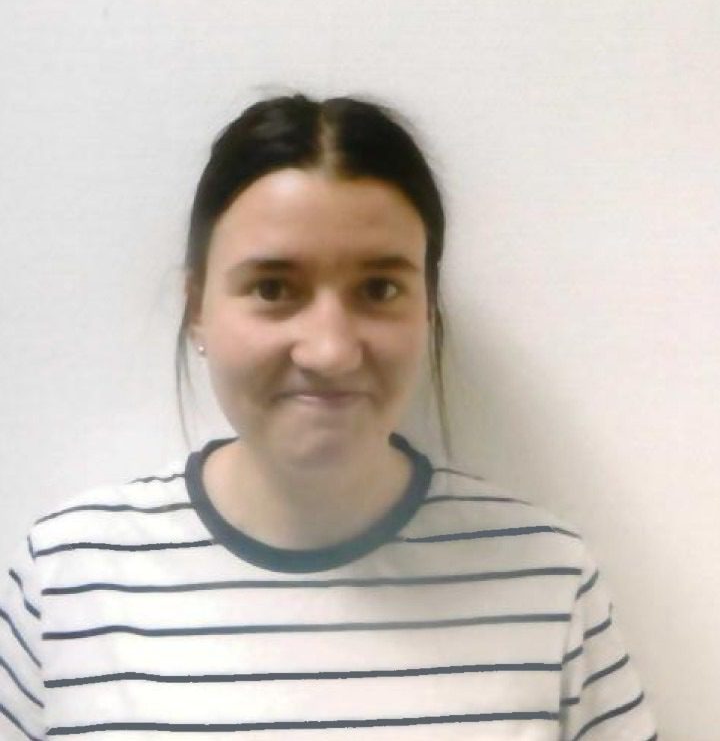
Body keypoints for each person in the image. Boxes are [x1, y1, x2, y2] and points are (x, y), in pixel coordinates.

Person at [0, 94, 658, 739]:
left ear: (427, 309)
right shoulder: (67, 581)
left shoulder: (547, 578)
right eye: (273, 288)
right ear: (197, 307)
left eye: (379, 289)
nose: (331, 351)